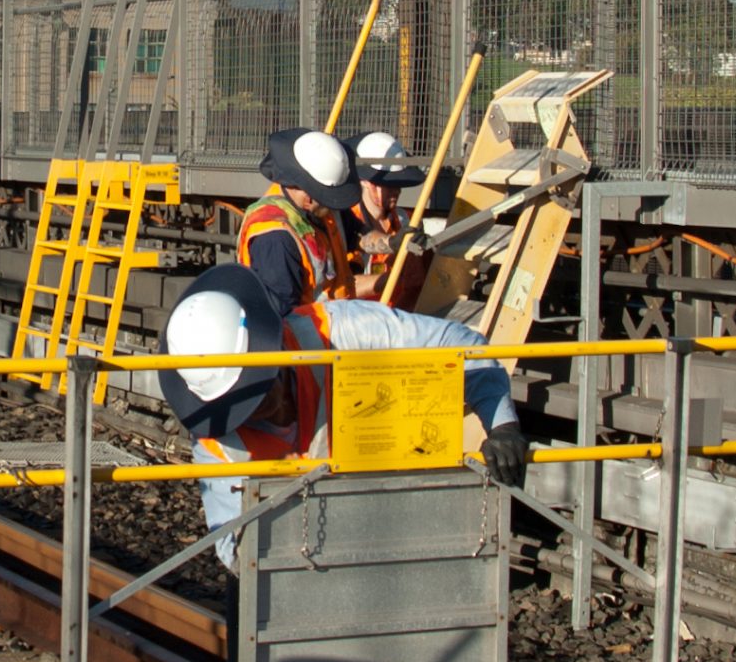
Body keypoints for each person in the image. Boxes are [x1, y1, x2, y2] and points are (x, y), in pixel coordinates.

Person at [155, 263, 532, 574]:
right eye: (245, 403)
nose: (262, 407)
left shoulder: (338, 333)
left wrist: (503, 426)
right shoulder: (213, 439)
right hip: (297, 571)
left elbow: (462, 347)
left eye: (261, 388)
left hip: (391, 531)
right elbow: (233, 548)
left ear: (274, 346)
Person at [234, 127, 362, 315]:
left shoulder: (323, 210)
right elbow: (281, 317)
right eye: (329, 199)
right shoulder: (276, 239)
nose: (334, 207)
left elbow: (357, 235)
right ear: (309, 198)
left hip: (335, 323)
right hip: (308, 330)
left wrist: (391, 242)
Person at [347, 130, 432, 306]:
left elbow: (415, 286)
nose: (397, 190)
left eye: (399, 183)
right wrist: (393, 279)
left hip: (397, 317)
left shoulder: (406, 221)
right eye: (389, 184)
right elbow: (345, 286)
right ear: (365, 182)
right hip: (356, 317)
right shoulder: (346, 224)